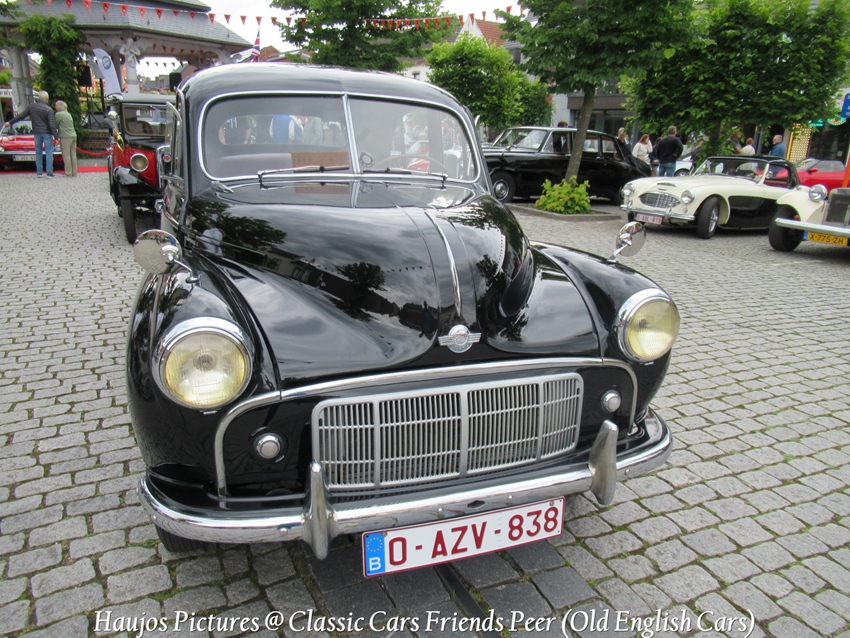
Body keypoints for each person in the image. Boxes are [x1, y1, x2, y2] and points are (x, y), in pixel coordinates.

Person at [10, 91, 58, 177]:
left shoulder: (31, 107)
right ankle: (49, 172)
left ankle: (39, 172)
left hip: (36, 132)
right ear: (46, 99)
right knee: (49, 152)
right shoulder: (49, 109)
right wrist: (56, 136)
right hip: (47, 133)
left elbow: (21, 116)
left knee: (38, 152)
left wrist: (10, 122)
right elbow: (52, 124)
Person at [54, 100, 77, 177]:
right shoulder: (68, 114)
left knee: (66, 155)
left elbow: (55, 124)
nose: (55, 107)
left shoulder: (59, 114)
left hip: (65, 137)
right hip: (73, 135)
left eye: (56, 105)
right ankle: (74, 172)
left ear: (60, 106)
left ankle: (68, 172)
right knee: (73, 154)